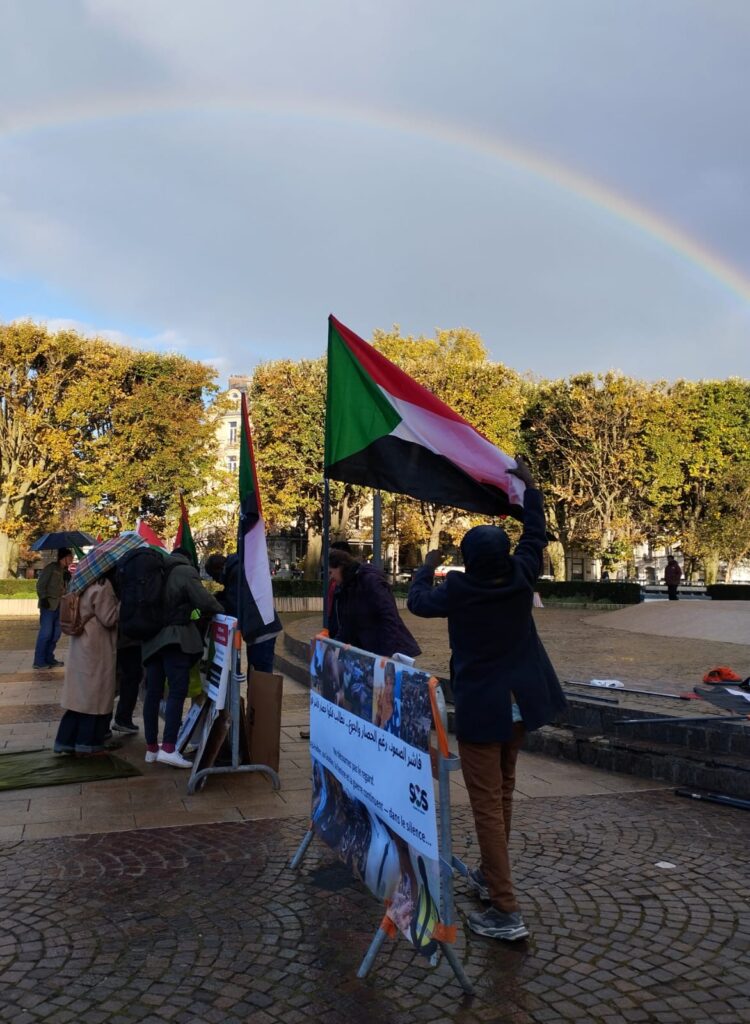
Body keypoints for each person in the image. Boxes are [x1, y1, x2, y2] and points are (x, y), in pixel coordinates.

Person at [407, 457, 566, 942]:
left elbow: (417, 602)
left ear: (469, 560)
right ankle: (489, 876)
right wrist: (530, 489)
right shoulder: (522, 575)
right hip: (521, 704)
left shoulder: (459, 589)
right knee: (503, 792)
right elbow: (535, 535)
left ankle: (505, 909)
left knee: (486, 806)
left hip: (483, 708)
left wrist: (426, 568)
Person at [142, 547, 223, 768]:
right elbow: (205, 601)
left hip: (151, 640)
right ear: (187, 559)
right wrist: (221, 609)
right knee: (177, 691)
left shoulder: (155, 571)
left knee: (153, 693)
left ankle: (151, 748)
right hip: (175, 641)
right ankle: (169, 748)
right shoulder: (184, 571)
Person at [54, 572, 120, 755]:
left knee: (79, 697)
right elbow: (109, 618)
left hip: (81, 645)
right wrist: (121, 604)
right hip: (97, 647)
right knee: (94, 697)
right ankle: (87, 742)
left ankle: (64, 741)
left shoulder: (80, 581)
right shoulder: (102, 585)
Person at [328, 549, 420, 660]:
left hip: (389, 650)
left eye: (331, 572)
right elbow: (347, 624)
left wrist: (386, 653)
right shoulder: (347, 587)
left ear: (340, 567)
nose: (330, 577)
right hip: (370, 650)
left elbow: (389, 616)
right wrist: (334, 645)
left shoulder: (370, 580)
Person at [204, 551, 279, 673]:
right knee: (255, 670)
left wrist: (213, 604)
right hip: (258, 627)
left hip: (261, 629)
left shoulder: (236, 573)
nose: (216, 580)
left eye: (214, 576)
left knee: (260, 672)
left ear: (219, 569)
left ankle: (263, 686)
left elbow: (234, 606)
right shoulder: (235, 569)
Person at [33, 548, 74, 670]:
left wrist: (68, 579)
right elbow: (40, 584)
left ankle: (49, 657)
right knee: (46, 633)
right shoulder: (51, 568)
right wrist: (43, 597)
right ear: (64, 557)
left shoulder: (65, 572)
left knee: (56, 634)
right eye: (70, 557)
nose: (72, 560)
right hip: (49, 605)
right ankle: (39, 661)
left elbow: (68, 590)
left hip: (60, 606)